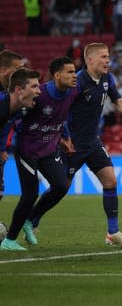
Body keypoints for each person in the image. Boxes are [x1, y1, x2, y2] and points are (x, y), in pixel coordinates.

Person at [25, 43, 122, 247]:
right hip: (72, 144)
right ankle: (31, 219)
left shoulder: (107, 79)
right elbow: (60, 110)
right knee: (61, 187)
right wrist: (62, 136)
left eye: (108, 57)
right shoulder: (76, 82)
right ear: (90, 60)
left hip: (92, 141)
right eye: (103, 57)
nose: (108, 61)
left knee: (111, 181)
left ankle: (113, 233)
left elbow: (118, 101)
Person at [0, 57, 78, 251]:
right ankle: (9, 239)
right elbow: (12, 124)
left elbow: (61, 117)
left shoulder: (70, 93)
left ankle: (30, 219)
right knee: (30, 194)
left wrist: (64, 137)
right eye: (34, 86)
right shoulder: (11, 105)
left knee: (61, 185)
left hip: (49, 148)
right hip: (27, 149)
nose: (38, 90)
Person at [0, 68, 41, 223]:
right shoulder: (2, 108)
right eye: (34, 87)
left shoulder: (13, 109)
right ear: (18, 90)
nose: (39, 91)